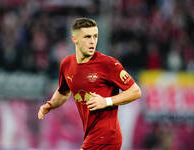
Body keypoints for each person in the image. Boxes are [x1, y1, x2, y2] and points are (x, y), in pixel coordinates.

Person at [38, 17, 142, 150]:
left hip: (107, 137)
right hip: (91, 135)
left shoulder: (108, 64)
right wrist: (50, 105)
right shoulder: (67, 64)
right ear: (75, 39)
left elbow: (135, 91)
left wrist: (106, 101)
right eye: (87, 37)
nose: (92, 41)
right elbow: (63, 93)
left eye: (95, 36)